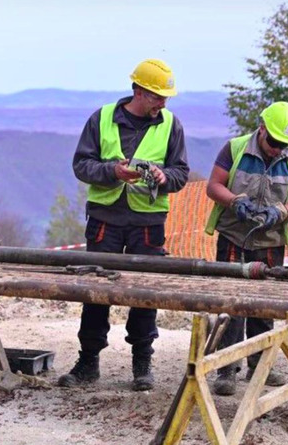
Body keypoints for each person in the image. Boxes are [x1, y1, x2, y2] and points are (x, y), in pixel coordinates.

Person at [59, 58, 190, 391]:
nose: (163, 103)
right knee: (95, 291)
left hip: (148, 221)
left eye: (166, 98)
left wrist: (164, 176)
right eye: (158, 96)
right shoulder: (101, 118)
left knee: (144, 291)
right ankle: (88, 362)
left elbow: (181, 174)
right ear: (139, 91)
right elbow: (81, 165)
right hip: (105, 219)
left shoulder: (172, 125)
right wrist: (113, 172)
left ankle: (142, 363)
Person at [204, 101, 288, 395]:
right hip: (233, 236)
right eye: (275, 142)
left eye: (284, 144)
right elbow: (213, 186)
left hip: (270, 242)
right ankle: (226, 368)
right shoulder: (235, 148)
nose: (278, 149)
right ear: (261, 129)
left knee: (264, 306)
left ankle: (260, 364)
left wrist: (282, 212)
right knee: (231, 303)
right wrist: (234, 201)